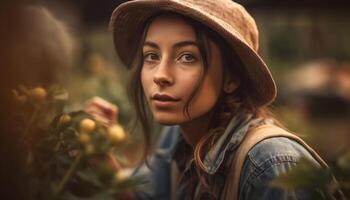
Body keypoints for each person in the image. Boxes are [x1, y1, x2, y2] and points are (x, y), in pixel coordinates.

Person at [104, 0, 326, 199]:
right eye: (152, 56)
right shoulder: (177, 138)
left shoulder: (269, 163)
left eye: (187, 57)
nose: (160, 75)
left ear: (232, 77)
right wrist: (97, 155)